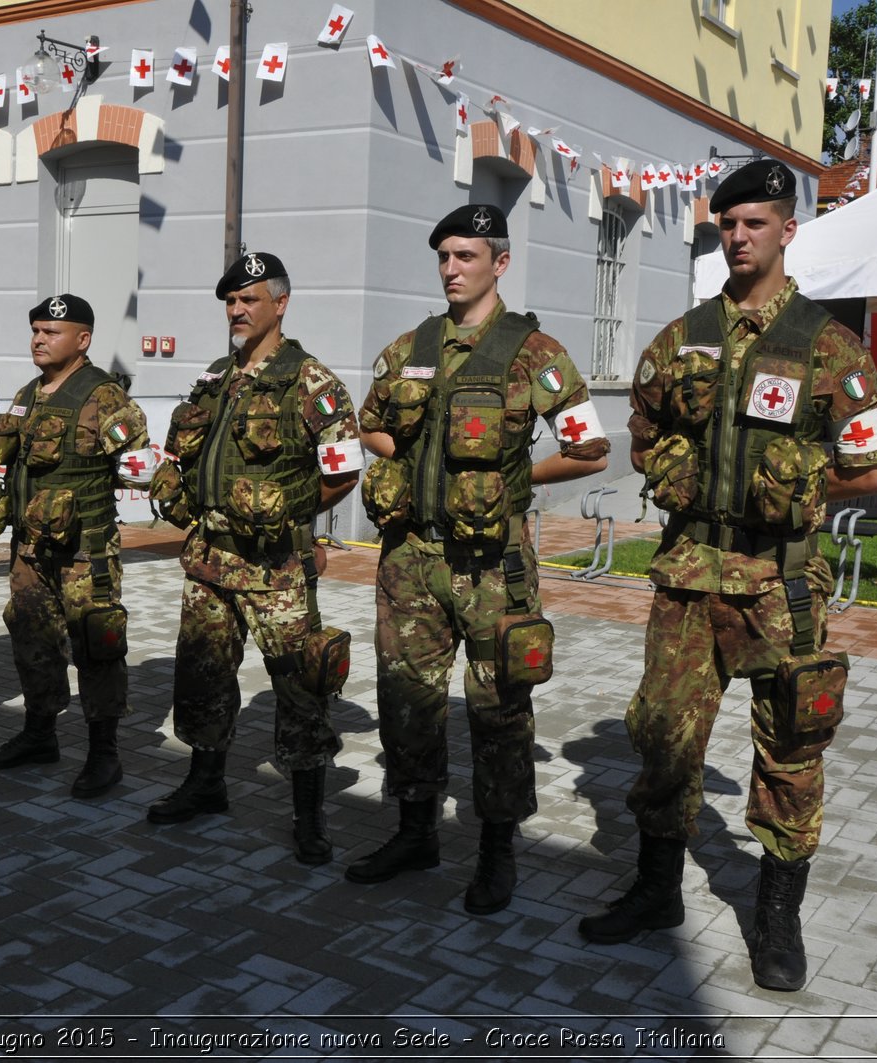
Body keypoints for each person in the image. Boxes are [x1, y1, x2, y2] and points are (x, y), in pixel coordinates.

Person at [577, 159, 877, 992]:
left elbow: (869, 470)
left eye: (755, 223)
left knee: (792, 748)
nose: (740, 236)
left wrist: (788, 479)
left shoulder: (829, 346)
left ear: (789, 229)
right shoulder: (683, 339)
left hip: (782, 582)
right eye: (728, 224)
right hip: (688, 575)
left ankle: (775, 913)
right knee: (665, 738)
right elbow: (642, 430)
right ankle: (655, 891)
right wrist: (671, 462)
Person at [350, 204, 610, 915]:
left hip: (494, 563)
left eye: (466, 256)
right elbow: (369, 422)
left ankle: (497, 853)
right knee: (407, 699)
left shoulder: (534, 353)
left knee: (499, 708)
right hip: (411, 557)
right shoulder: (413, 345)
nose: (451, 269)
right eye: (443, 256)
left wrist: (517, 482)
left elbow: (591, 447)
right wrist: (404, 461)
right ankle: (415, 832)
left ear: (499, 262)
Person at [146, 251, 363, 866]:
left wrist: (288, 510)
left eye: (249, 299)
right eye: (231, 301)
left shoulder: (310, 380)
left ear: (280, 304)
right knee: (204, 676)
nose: (237, 310)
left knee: (299, 686)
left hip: (275, 568)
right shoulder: (217, 375)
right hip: (209, 560)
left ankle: (308, 814)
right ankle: (205, 782)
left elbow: (343, 469)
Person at [0, 294, 157, 797]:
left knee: (96, 647)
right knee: (32, 639)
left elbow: (139, 467)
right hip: (30, 549)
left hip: (85, 551)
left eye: (52, 332)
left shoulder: (105, 397)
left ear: (83, 340)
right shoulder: (27, 394)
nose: (39, 338)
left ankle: (105, 754)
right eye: (35, 329)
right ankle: (40, 734)